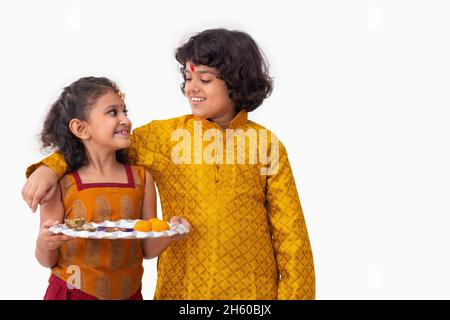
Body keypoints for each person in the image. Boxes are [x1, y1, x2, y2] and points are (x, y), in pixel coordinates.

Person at [23, 29, 315, 299]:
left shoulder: (266, 145)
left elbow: (291, 233)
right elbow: (99, 143)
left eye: (205, 79)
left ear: (237, 82)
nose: (192, 88)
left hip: (253, 292)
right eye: (188, 79)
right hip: (182, 287)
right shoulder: (166, 138)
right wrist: (52, 166)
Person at [34, 76, 189, 300]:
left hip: (129, 294)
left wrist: (171, 234)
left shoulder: (141, 178)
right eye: (113, 112)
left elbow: (146, 248)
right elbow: (47, 259)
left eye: (125, 111)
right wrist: (44, 243)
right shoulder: (60, 182)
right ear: (80, 128)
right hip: (72, 293)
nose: (125, 120)